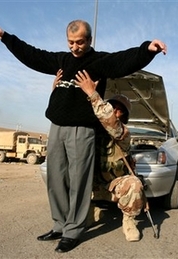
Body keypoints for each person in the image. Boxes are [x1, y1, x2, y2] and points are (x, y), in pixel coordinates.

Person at [0, 20, 167, 253]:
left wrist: (147, 49)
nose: (75, 47)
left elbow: (123, 60)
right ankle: (59, 225)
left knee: (79, 181)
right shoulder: (62, 60)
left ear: (89, 40)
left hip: (82, 129)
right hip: (57, 126)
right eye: (71, 42)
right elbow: (33, 55)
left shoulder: (98, 62)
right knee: (56, 179)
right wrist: (5, 37)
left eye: (80, 42)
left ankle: (73, 230)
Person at [55, 69, 145, 241]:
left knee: (135, 184)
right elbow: (70, 112)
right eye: (112, 107)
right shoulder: (90, 128)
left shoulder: (123, 132)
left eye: (119, 111)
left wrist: (92, 93)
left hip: (114, 185)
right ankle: (90, 212)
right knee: (63, 175)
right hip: (91, 185)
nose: (114, 112)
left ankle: (129, 221)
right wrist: (57, 91)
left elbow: (110, 122)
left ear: (124, 116)